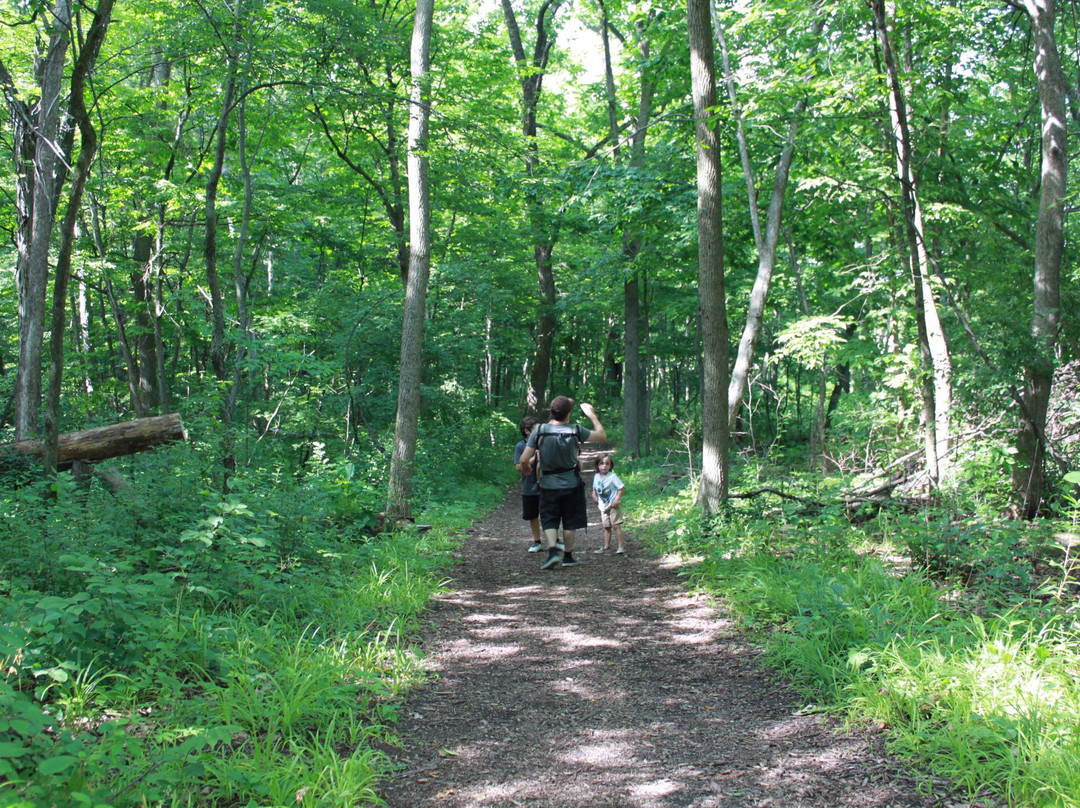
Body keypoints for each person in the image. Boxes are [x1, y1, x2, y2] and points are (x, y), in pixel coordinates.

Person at [518, 396, 607, 570]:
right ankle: (568, 556)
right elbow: (602, 436)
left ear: (551, 411)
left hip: (547, 484)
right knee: (569, 520)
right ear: (568, 414)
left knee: (549, 519)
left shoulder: (539, 430)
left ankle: (552, 552)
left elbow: (523, 459)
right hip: (571, 484)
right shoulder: (575, 430)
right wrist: (592, 415)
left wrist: (525, 468)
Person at [514, 416, 543, 552]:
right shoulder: (520, 446)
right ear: (527, 431)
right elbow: (518, 467)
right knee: (533, 516)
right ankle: (537, 542)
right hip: (529, 487)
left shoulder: (544, 443)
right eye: (536, 429)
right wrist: (533, 458)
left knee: (549, 514)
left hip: (547, 485)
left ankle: (555, 541)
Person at [591, 454, 626, 555]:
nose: (604, 466)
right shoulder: (596, 477)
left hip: (613, 505)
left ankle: (620, 547)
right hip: (603, 506)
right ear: (597, 465)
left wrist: (616, 499)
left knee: (616, 526)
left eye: (607, 464)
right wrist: (594, 496)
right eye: (601, 463)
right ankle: (606, 546)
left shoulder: (612, 477)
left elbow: (621, 488)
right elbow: (594, 489)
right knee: (606, 526)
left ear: (610, 466)